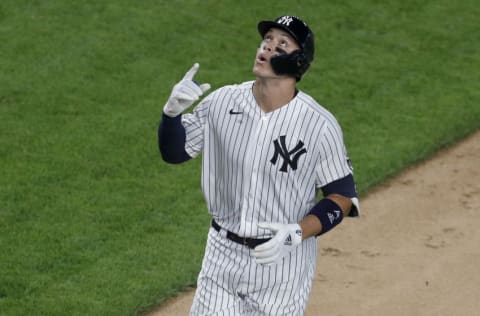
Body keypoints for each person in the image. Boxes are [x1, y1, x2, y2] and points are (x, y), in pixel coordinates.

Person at [158, 15, 359, 316]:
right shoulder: (222, 102)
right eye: (267, 40)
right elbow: (175, 153)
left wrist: (296, 232)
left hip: (282, 268)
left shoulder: (319, 126)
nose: (267, 47)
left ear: (298, 62)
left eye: (282, 44)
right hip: (222, 257)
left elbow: (341, 198)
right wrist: (171, 115)